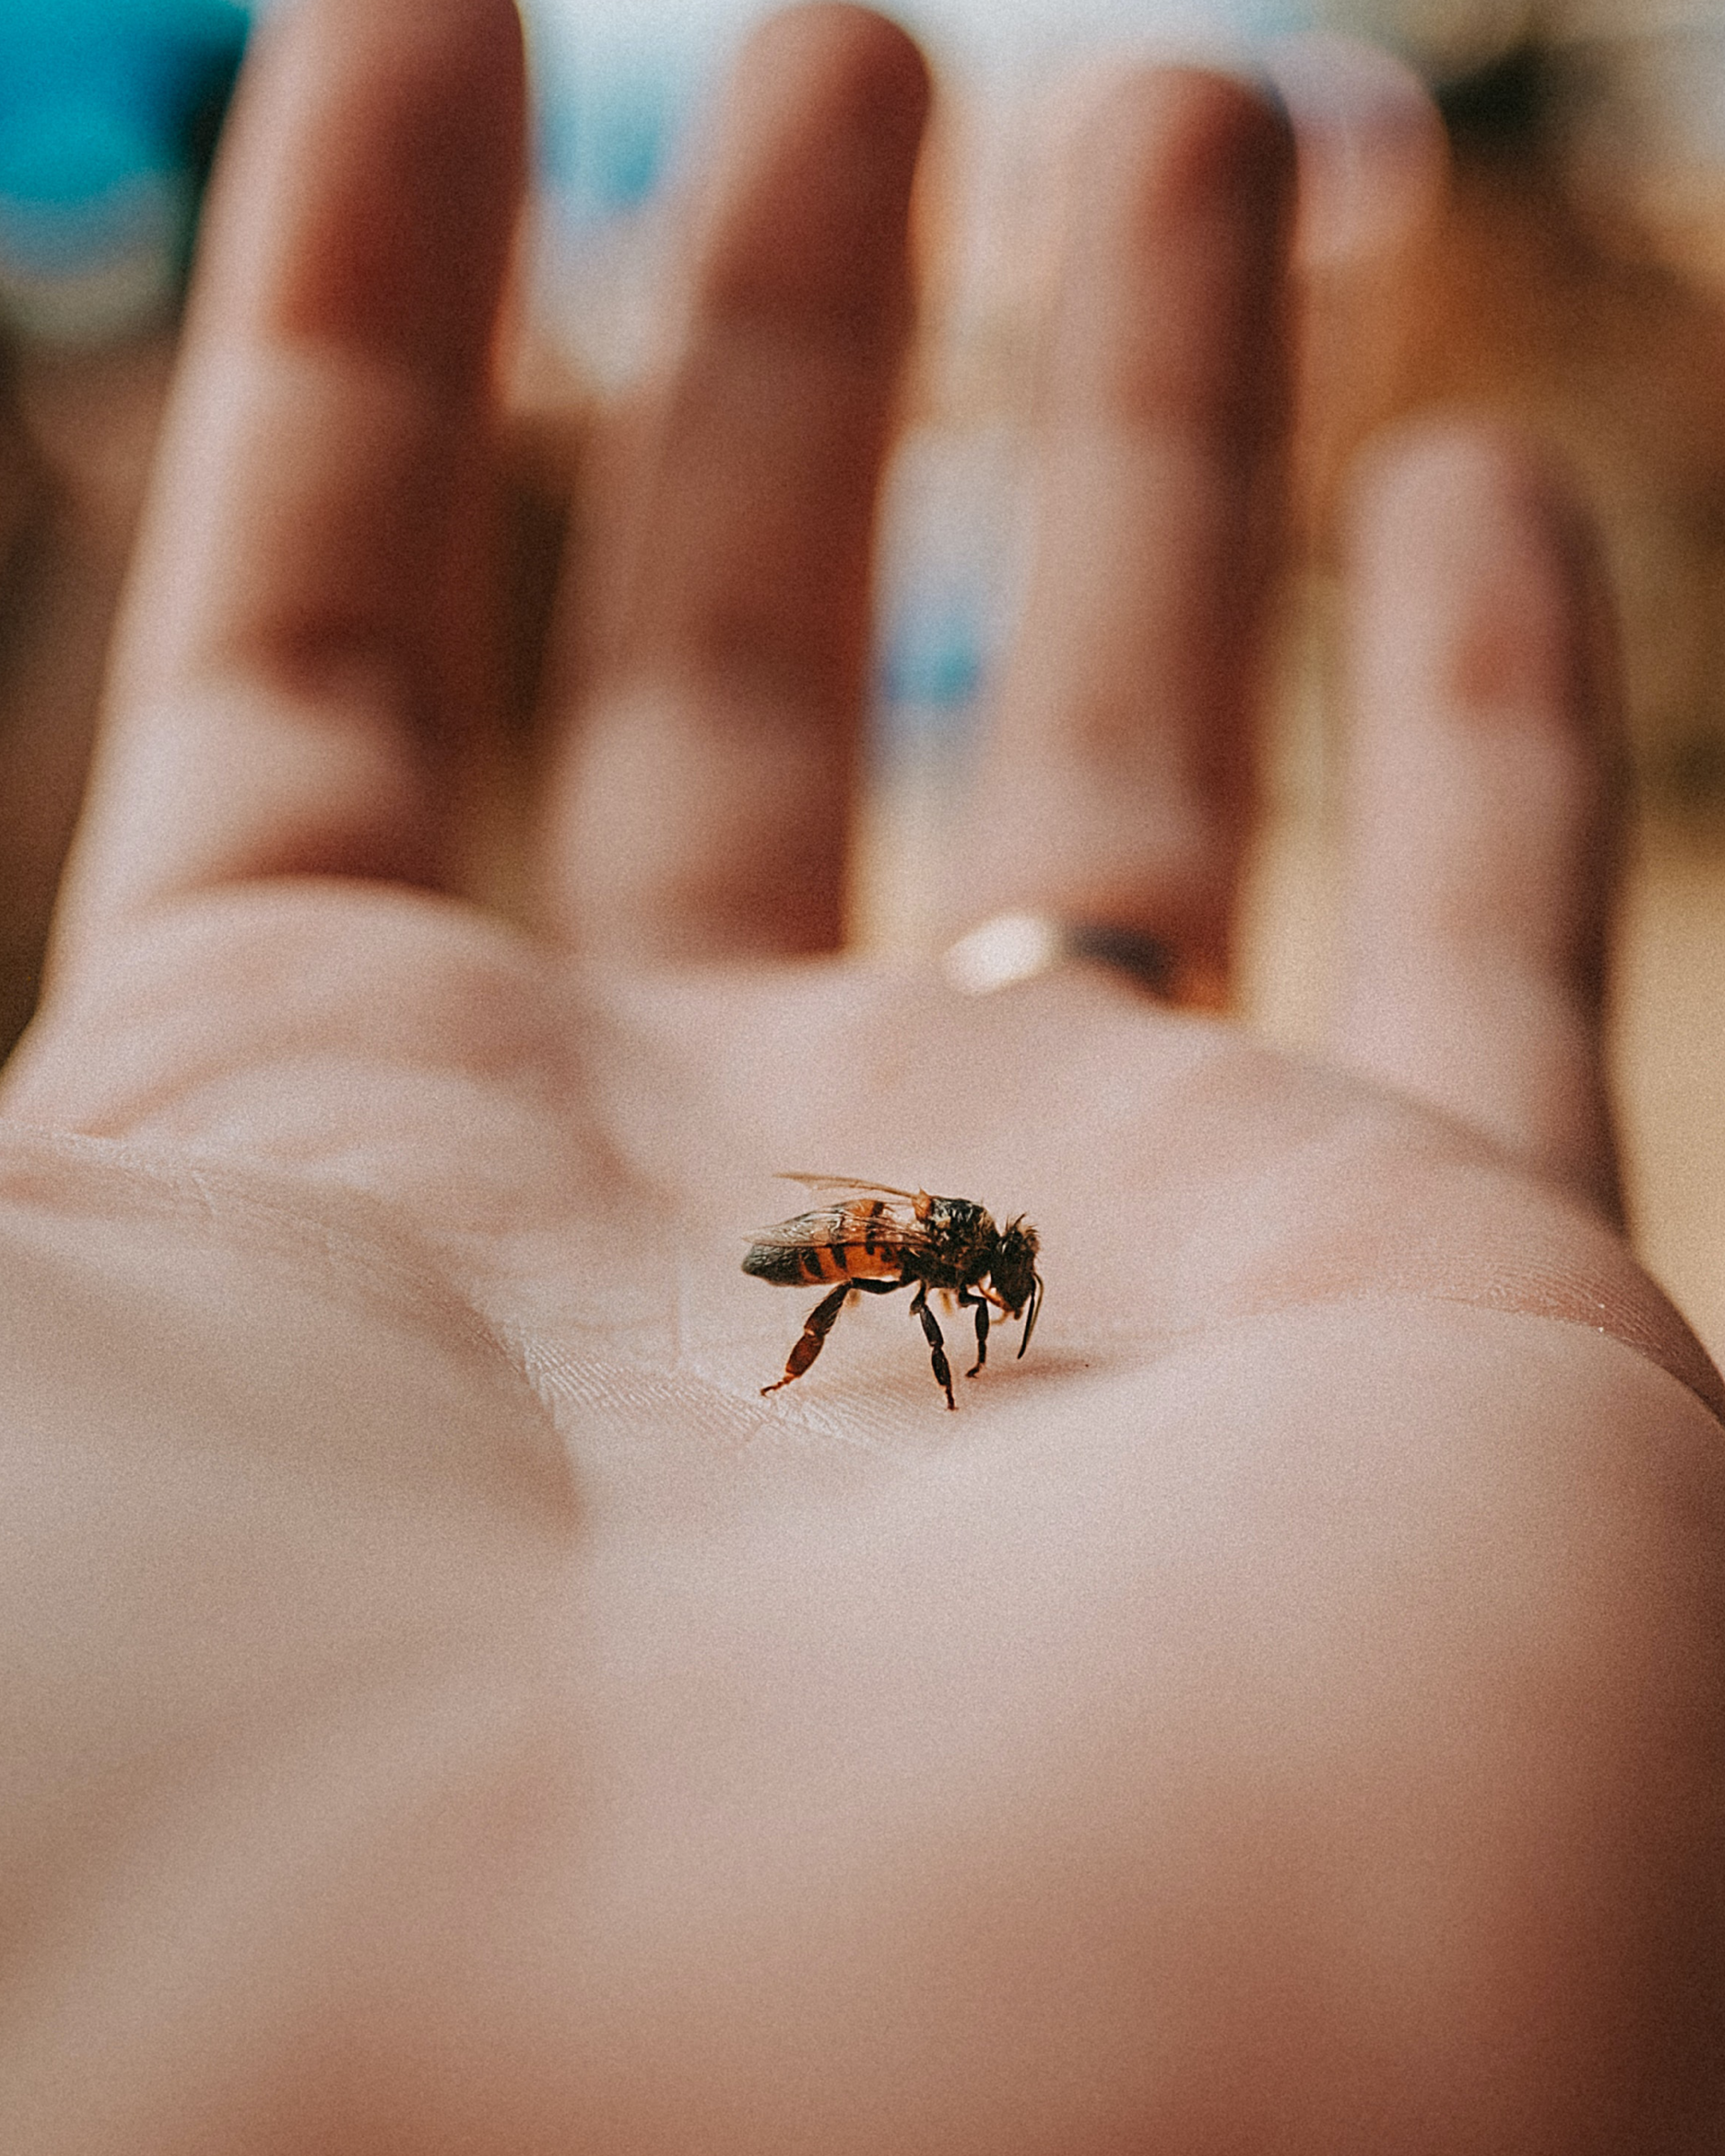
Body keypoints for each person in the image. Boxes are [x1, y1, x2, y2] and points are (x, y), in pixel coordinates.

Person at [4, 0, 1721, 2147]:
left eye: (983, 1275)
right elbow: (878, 1263)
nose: (996, 1283)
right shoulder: (913, 1260)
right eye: (988, 1276)